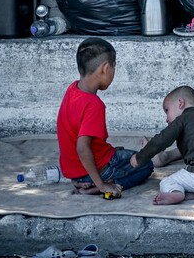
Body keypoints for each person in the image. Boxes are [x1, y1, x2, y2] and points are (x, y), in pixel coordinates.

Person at [57, 38, 154, 196]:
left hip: (74, 172)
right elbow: (82, 148)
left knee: (124, 153)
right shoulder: (93, 104)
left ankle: (83, 180)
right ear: (106, 68)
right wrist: (101, 185)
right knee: (145, 164)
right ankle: (98, 186)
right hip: (98, 169)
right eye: (114, 67)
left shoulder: (72, 89)